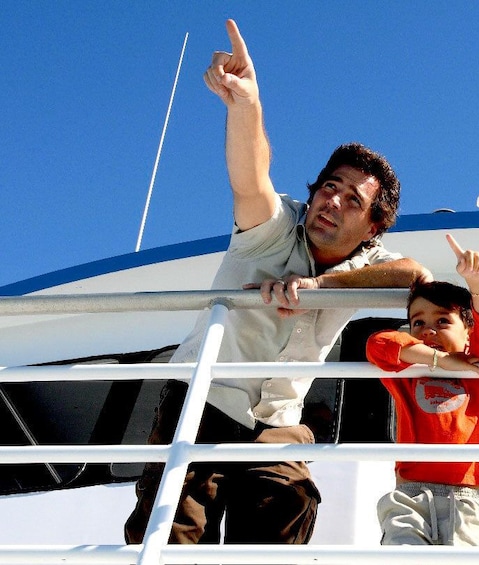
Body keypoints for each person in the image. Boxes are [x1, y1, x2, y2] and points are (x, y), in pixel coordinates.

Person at [124, 19, 428, 545]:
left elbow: (416, 276)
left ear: (373, 226)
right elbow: (251, 176)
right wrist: (246, 105)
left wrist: (321, 289)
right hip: (205, 401)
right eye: (329, 187)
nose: (332, 201)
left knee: (286, 506)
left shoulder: (372, 260)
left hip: (280, 419)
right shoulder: (274, 229)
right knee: (175, 529)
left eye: (353, 199)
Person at [367, 234, 479, 546]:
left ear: (468, 333)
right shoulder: (407, 372)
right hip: (410, 494)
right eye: (417, 323)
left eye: (443, 320)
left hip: (468, 498)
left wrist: (478, 284)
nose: (428, 329)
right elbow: (378, 344)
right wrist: (438, 359)